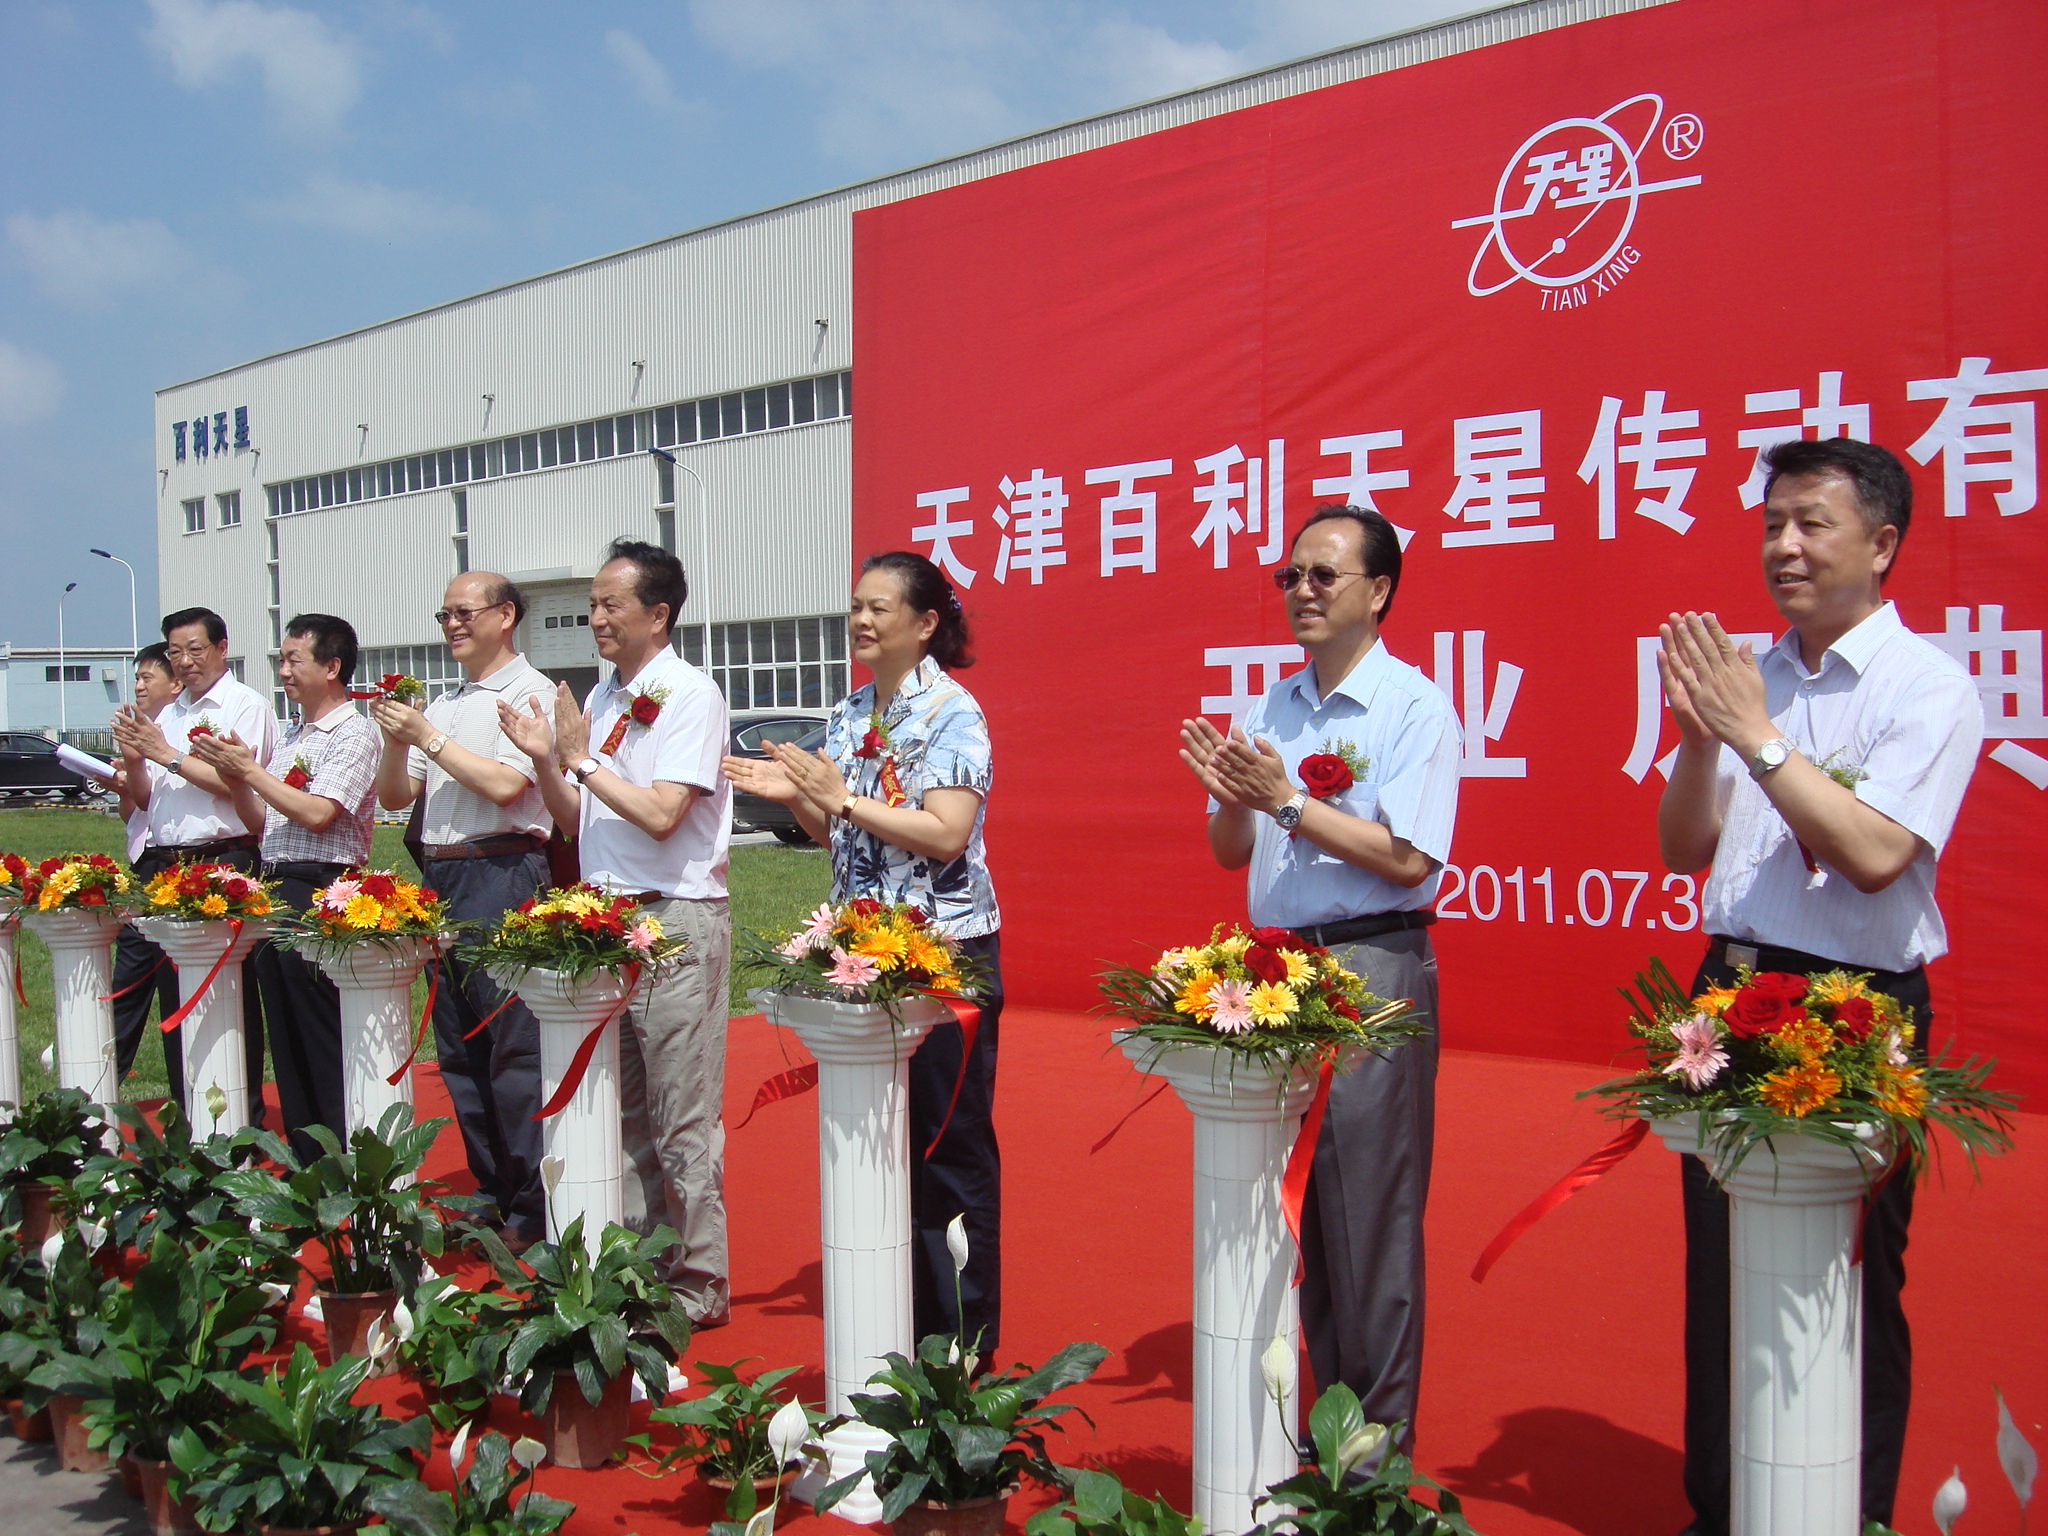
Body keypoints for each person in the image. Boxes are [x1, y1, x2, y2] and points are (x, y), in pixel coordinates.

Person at [1655, 438, 1982, 1536]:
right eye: (1770, 525)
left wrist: (1752, 733)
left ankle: (1844, 1513)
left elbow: (1876, 853)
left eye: (1810, 524)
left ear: (1881, 544)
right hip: (1729, 991)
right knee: (1720, 1272)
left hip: (1851, 1007)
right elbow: (1682, 847)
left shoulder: (1926, 687)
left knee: (1846, 1279)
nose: (1782, 547)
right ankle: (1723, 1509)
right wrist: (1698, 742)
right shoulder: (1752, 675)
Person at [1178, 504, 1460, 1453]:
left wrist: (1289, 801)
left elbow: (1410, 859)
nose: (1301, 590)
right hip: (1279, 969)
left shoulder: (1415, 708)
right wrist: (1233, 798)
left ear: (1378, 592)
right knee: (1291, 1211)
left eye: (1322, 575)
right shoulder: (1271, 706)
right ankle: (1313, 1437)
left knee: (1367, 1218)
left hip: (1372, 966)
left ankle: (1372, 1463)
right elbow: (1231, 850)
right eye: (1289, 575)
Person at [721, 551, 1005, 1353]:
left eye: (880, 608)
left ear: (926, 623)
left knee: (947, 1145)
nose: (862, 621)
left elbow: (946, 833)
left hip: (943, 955)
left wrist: (842, 798)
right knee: (878, 1138)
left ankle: (960, 1340)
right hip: (865, 952)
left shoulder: (952, 712)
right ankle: (889, 1316)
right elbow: (842, 836)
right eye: (856, 606)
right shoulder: (849, 714)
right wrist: (804, 801)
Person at [500, 538, 733, 1325]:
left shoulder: (690, 694)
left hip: (672, 918)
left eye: (610, 604)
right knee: (626, 1110)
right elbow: (578, 820)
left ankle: (700, 1283)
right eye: (592, 604)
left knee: (681, 1115)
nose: (595, 617)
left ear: (657, 614)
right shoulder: (602, 697)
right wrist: (547, 760)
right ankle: (642, 1269)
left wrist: (581, 760)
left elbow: (664, 815)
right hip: (606, 918)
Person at [372, 573, 555, 1251]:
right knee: (457, 1044)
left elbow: (509, 786)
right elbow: (396, 797)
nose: (452, 624)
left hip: (502, 869)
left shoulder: (529, 691)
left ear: (505, 616)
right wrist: (400, 739)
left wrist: (427, 736)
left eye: (464, 612)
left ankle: (532, 1203)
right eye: (444, 614)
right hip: (442, 873)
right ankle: (491, 1188)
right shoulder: (447, 702)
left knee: (512, 1043)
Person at [189, 613, 380, 1162]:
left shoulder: (354, 733)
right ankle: (305, 1156)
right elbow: (262, 821)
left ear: (332, 666)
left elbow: (319, 814)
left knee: (320, 1029)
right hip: (276, 882)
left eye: (294, 659)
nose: (284, 671)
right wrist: (237, 779)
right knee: (286, 1029)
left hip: (322, 887)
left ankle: (344, 1157)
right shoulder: (293, 733)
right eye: (282, 660)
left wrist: (250, 773)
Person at [110, 608, 279, 1116]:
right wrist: (135, 758)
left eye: (194, 650)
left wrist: (164, 753)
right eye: (175, 652)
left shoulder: (243, 705)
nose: (184, 662)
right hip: (168, 864)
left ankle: (240, 1115)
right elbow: (148, 800)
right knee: (175, 993)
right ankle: (189, 1113)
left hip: (224, 860)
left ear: (222, 648)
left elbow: (238, 783)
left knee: (228, 993)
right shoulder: (170, 714)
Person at [106, 643, 185, 1090]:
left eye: (146, 677)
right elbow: (137, 810)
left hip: (172, 864)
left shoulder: (177, 733)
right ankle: (102, 1076)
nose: (138, 686)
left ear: (174, 684)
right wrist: (124, 782)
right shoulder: (143, 733)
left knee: (166, 977)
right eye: (135, 678)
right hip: (146, 863)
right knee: (130, 975)